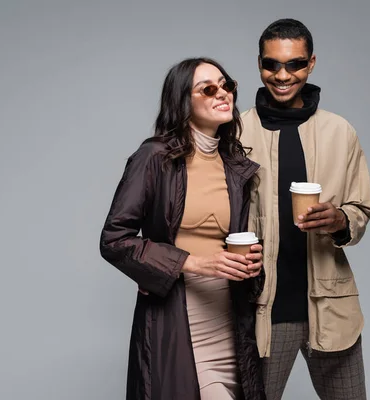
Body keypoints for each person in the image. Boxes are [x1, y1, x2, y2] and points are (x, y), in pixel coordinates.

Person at [100, 58, 266, 400]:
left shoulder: (236, 166)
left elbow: (234, 241)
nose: (222, 93)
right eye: (208, 88)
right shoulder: (155, 157)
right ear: (183, 102)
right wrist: (192, 263)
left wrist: (252, 262)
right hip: (179, 322)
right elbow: (115, 239)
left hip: (233, 323)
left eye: (226, 84)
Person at [239, 18, 370, 400]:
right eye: (272, 65)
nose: (283, 75)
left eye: (295, 64)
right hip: (262, 310)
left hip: (331, 308)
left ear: (311, 63)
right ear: (260, 63)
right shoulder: (235, 131)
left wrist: (341, 220)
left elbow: (360, 208)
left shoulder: (340, 131)